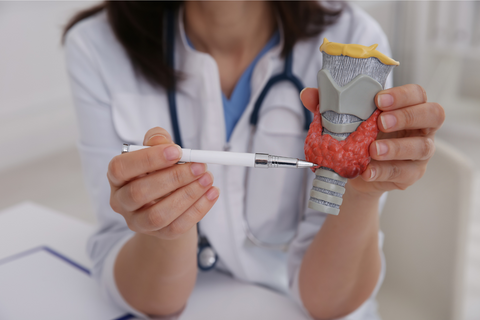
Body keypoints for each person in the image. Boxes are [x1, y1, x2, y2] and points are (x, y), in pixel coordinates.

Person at [63, 1, 444, 319]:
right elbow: (147, 295)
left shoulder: (356, 42)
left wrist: (361, 194)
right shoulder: (96, 47)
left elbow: (327, 303)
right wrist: (167, 224)